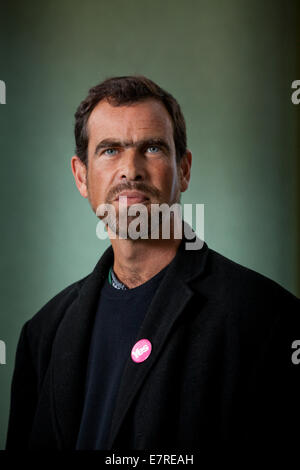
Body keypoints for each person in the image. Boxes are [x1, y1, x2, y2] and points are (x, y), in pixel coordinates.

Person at [5, 75, 299, 456]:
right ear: (81, 176)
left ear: (185, 169)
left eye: (153, 148)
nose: (131, 169)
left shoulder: (269, 320)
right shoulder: (43, 333)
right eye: (110, 150)